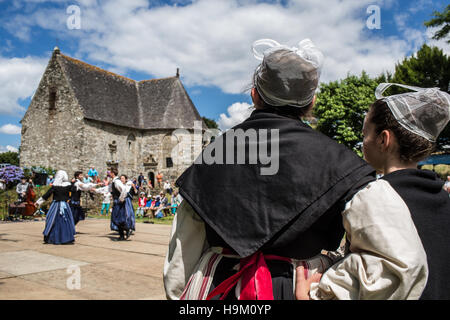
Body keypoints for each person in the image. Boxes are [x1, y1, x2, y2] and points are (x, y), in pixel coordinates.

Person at [163, 39, 376, 300]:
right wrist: (331, 290)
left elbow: (184, 249)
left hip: (220, 285)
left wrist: (179, 296)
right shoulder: (342, 163)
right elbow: (385, 259)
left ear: (254, 95)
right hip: (302, 287)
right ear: (312, 102)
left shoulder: (216, 152)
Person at [296, 83, 450, 300]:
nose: (362, 143)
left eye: (365, 133)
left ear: (383, 139)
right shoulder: (443, 199)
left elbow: (380, 282)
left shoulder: (374, 197)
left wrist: (310, 295)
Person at [35, 170, 76, 244]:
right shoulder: (68, 185)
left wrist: (38, 202)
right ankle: (65, 238)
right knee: (66, 220)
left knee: (51, 220)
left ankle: (53, 238)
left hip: (56, 205)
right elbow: (74, 190)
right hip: (64, 205)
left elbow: (46, 195)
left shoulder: (55, 185)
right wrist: (73, 184)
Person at [109, 168, 133, 240]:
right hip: (117, 201)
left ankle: (127, 230)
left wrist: (121, 199)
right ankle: (123, 234)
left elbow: (124, 190)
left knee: (116, 218)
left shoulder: (117, 181)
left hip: (118, 201)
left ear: (113, 173)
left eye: (110, 173)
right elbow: (107, 189)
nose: (109, 174)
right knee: (119, 218)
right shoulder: (114, 182)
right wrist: (96, 189)